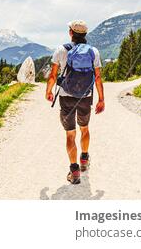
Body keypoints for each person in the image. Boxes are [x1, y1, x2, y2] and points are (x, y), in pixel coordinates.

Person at [45, 20, 105, 185]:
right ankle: (84, 159)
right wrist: (101, 99)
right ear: (85, 34)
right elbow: (98, 77)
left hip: (66, 96)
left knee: (70, 134)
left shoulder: (61, 50)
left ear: (71, 33)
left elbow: (53, 75)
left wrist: (48, 91)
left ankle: (75, 170)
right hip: (85, 96)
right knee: (84, 129)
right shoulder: (93, 51)